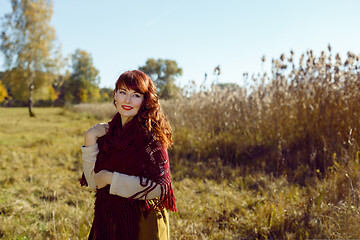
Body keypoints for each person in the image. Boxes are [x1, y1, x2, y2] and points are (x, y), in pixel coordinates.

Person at [80, 70, 177, 239]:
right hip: (107, 220)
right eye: (123, 92)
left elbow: (161, 189)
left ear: (145, 100)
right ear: (115, 95)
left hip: (143, 222)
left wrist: (112, 179)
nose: (127, 100)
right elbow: (93, 182)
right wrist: (90, 138)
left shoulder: (151, 137)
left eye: (136, 95)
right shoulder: (108, 133)